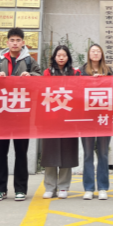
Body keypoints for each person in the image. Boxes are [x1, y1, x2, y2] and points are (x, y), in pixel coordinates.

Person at [0, 28, 42, 202]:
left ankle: (20, 189)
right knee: (0, 153)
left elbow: (40, 78)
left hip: (22, 114)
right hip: (2, 114)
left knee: (21, 153)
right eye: (12, 40)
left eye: (18, 40)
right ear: (7, 42)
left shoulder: (29, 61)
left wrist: (30, 75)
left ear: (23, 43)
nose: (15, 43)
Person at [42, 45, 81, 200]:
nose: (61, 58)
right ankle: (50, 187)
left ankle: (64, 186)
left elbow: (79, 92)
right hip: (50, 119)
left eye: (64, 55)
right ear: (54, 57)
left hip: (69, 119)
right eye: (58, 55)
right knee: (50, 153)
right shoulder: (47, 72)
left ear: (68, 57)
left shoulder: (75, 73)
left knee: (67, 153)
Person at [81, 44, 113, 201]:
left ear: (102, 54)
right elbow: (75, 90)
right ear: (88, 54)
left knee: (103, 154)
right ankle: (88, 188)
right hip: (86, 118)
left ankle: (102, 187)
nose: (95, 53)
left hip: (104, 118)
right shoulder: (81, 71)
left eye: (98, 51)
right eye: (92, 51)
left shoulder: (108, 71)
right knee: (88, 154)